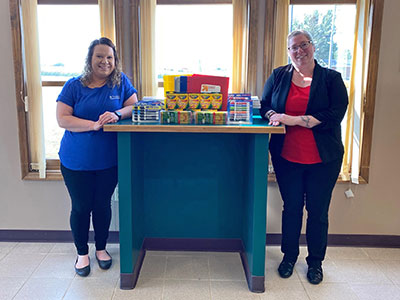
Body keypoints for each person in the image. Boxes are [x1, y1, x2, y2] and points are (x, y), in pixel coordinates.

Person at [260, 30, 348, 284]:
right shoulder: (279, 75)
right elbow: (265, 106)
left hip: (324, 159)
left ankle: (315, 263)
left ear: (312, 46)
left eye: (303, 45)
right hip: (287, 157)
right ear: (288, 52)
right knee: (292, 210)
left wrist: (293, 120)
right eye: (293, 48)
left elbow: (334, 114)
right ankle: (289, 257)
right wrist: (274, 117)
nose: (299, 51)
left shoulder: (331, 78)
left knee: (318, 212)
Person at [56, 37, 138, 277]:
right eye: (100, 56)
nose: (105, 61)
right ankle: (82, 253)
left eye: (110, 57)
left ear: (115, 61)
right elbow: (63, 119)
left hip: (108, 161)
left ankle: (101, 249)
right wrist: (92, 125)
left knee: (102, 206)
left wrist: (116, 113)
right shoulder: (74, 85)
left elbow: (134, 106)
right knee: (81, 207)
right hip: (75, 161)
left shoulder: (120, 82)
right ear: (90, 59)